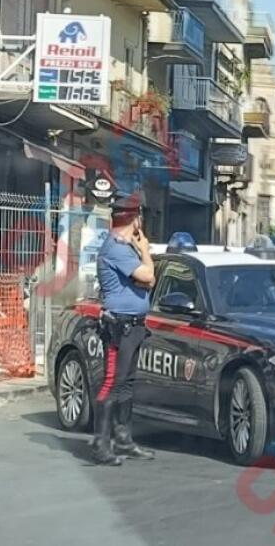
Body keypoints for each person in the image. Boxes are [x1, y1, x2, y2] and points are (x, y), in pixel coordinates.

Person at [92, 197, 156, 465]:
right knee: (112, 382)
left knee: (126, 383)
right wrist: (146, 250)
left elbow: (145, 284)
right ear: (135, 219)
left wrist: (141, 262)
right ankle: (101, 444)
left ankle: (124, 440)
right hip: (119, 325)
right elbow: (149, 277)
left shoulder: (125, 248)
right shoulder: (117, 249)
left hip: (134, 325)